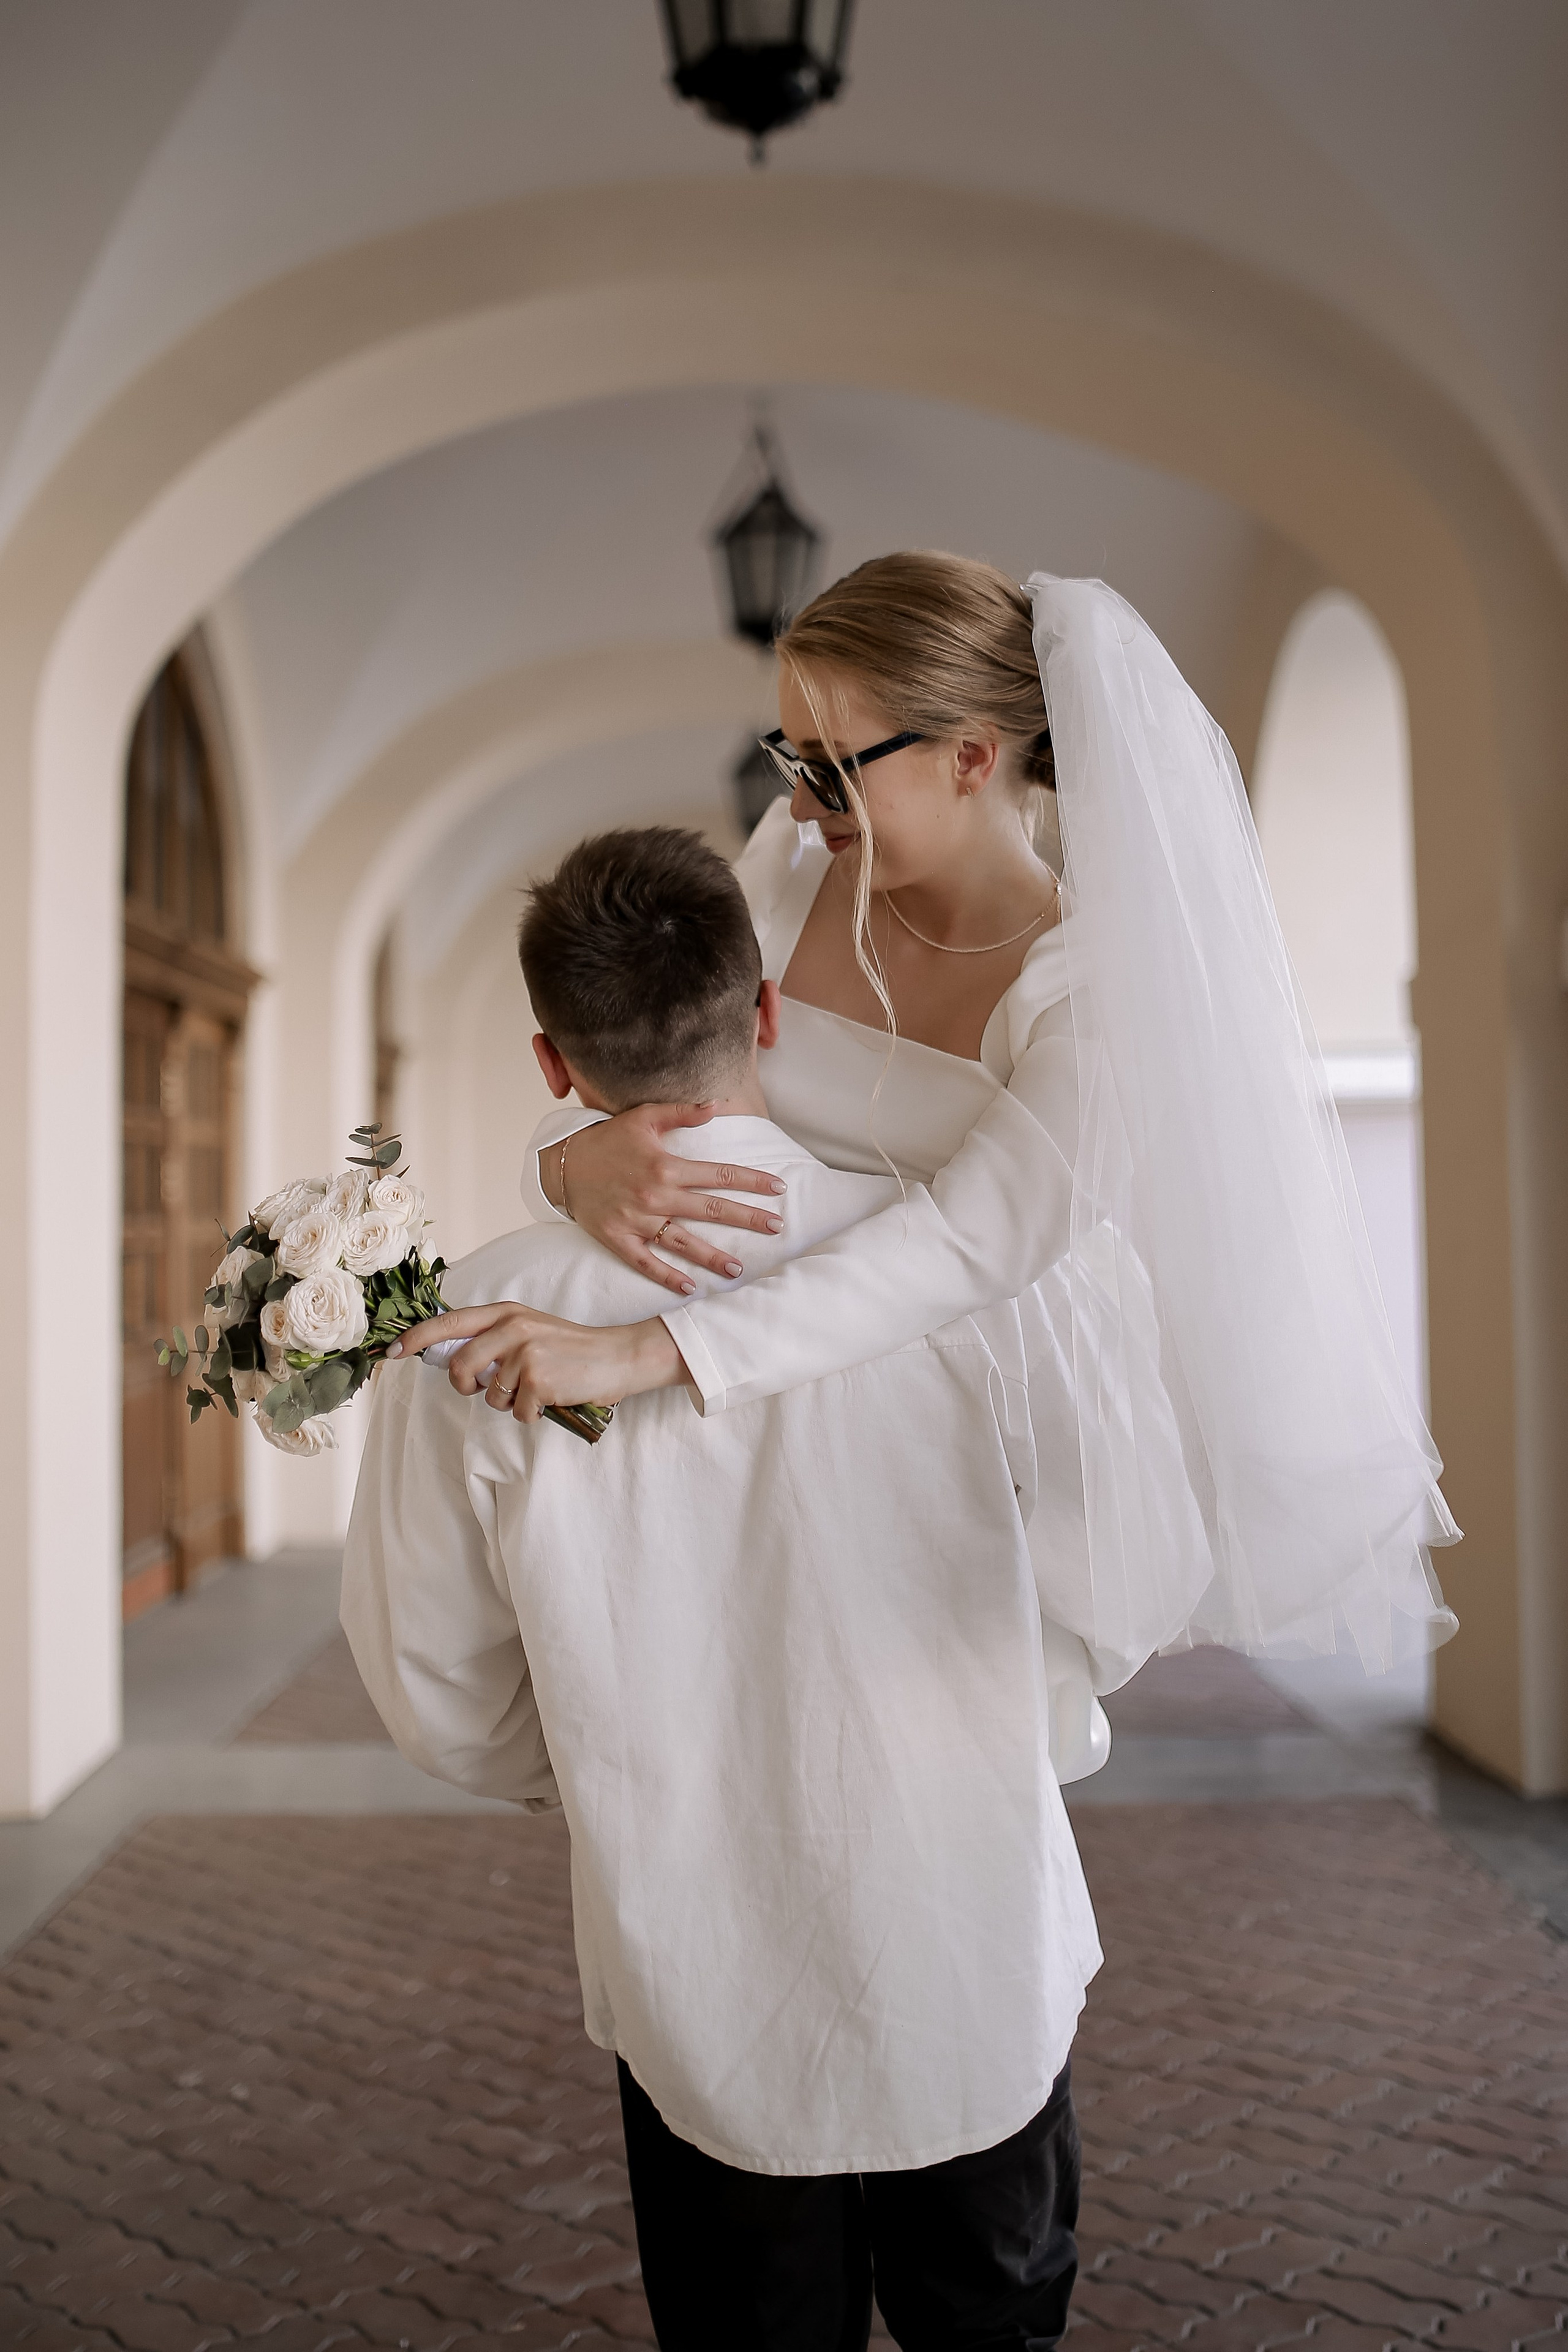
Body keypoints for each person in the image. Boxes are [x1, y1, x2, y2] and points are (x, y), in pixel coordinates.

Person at [401, 554, 1457, 1684]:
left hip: (985, 1414)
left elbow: (968, 1245)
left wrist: (642, 1353)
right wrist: (569, 1165)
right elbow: (646, 1072)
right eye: (791, 761)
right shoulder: (783, 876)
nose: (797, 804)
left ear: (970, 757)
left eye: (831, 770)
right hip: (756, 1366)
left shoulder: (1101, 991)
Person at [344, 824, 1102, 2352]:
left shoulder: (481, 1322)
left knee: (748, 2328)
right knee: (995, 2317)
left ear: (554, 1064)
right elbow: (1084, 1578)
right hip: (961, 1886)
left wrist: (593, 1761)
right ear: (764, 1012)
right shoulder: (955, 1263)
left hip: (693, 1920)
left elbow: (429, 1674)